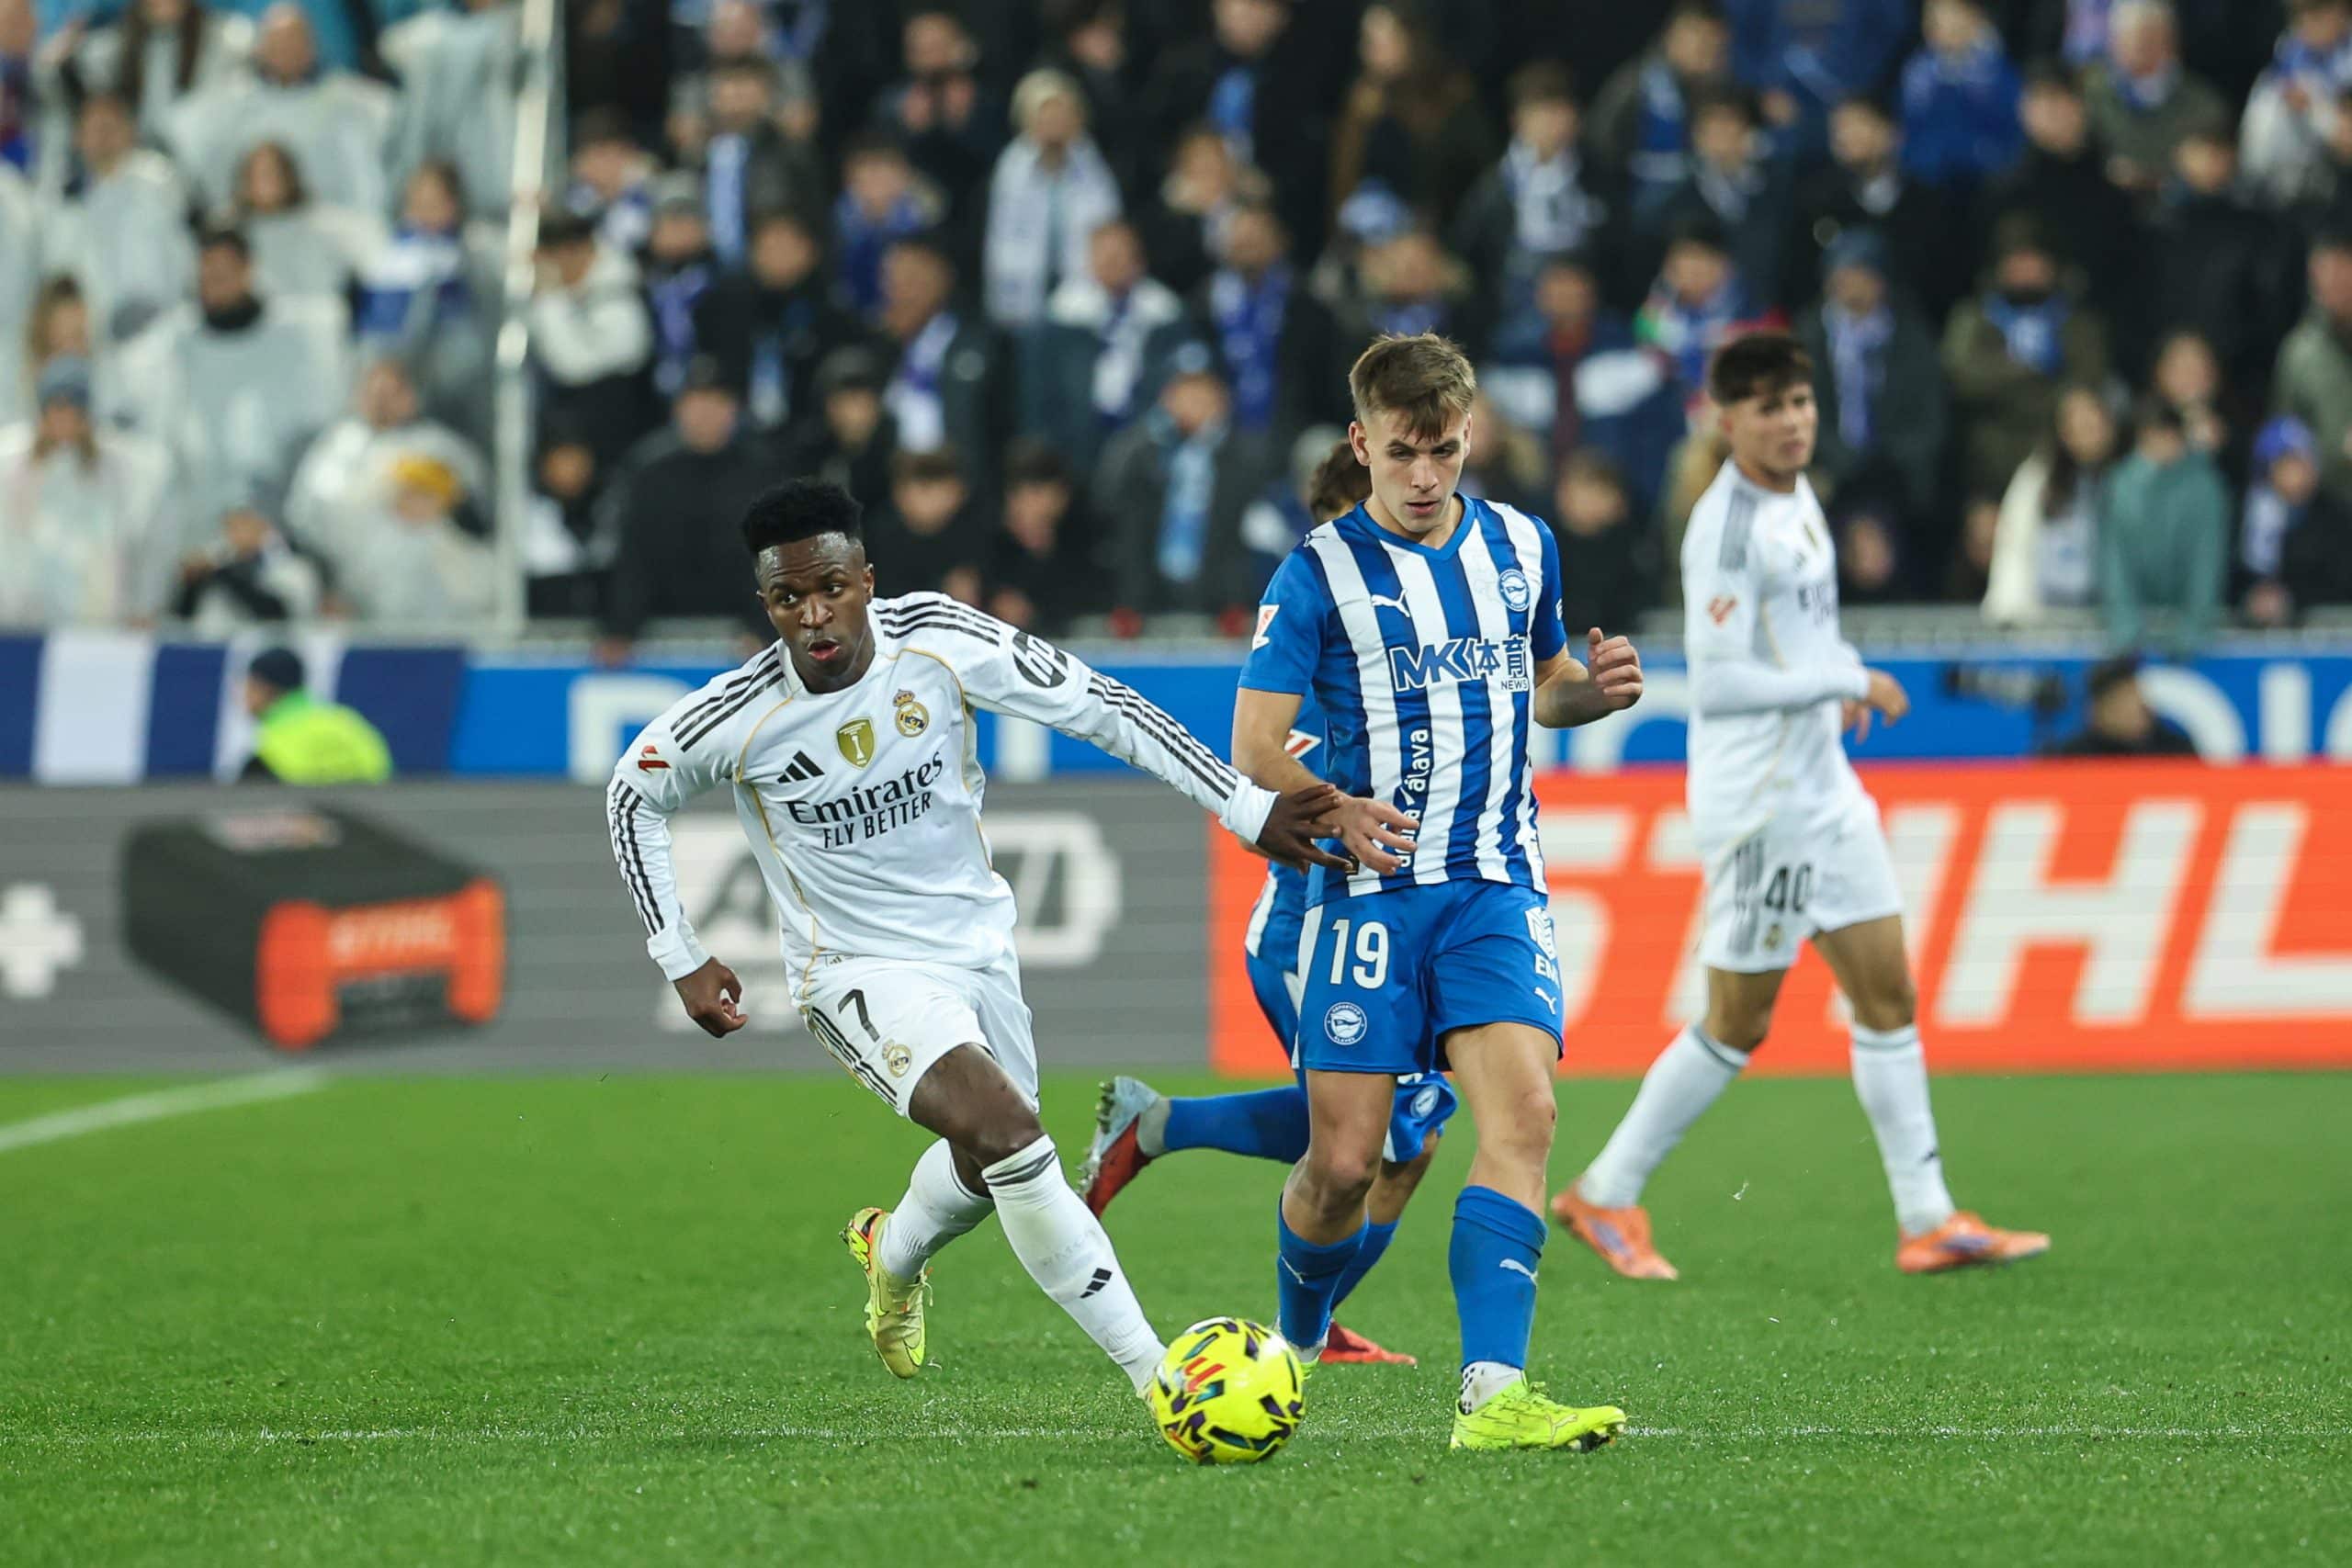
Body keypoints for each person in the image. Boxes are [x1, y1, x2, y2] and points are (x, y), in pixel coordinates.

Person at [602, 478, 1347, 1412]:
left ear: (865, 579)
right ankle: (1160, 1378)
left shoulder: (944, 642)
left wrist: (1244, 807)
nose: (813, 614)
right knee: (1009, 1133)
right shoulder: (736, 717)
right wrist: (679, 952)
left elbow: (1104, 706)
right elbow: (631, 794)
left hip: (976, 947)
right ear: (768, 607)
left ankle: (893, 1253)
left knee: (990, 1165)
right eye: (789, 599)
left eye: (829, 586)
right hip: (854, 970)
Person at [1552, 333, 2048, 1282]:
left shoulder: (1799, 496)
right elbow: (1724, 681)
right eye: (1770, 408)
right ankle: (1605, 1192)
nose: (1791, 423)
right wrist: (1850, 674)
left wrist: (1831, 684)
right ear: (1727, 419)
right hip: (1762, 804)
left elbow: (1794, 643)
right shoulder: (1725, 528)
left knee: (1887, 993)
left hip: (1823, 787)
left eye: (1800, 403)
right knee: (1738, 1022)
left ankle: (1927, 1218)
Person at [1237, 332, 1643, 1451]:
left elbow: (1547, 681)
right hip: (1367, 901)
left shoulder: (1521, 544)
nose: (1426, 477)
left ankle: (1494, 1394)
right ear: (1361, 444)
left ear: (1471, 440)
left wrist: (1590, 697)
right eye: (1405, 453)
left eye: (1446, 451)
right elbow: (1255, 745)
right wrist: (1335, 804)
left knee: (1526, 1116)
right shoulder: (1314, 572)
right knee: (1343, 1165)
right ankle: (1300, 1334)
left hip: (1493, 885)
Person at [1080, 440, 1433, 1369]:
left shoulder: (1409, 651)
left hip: (1396, 933)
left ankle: (1314, 1311)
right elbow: (1256, 796)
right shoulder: (1316, 650)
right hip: (1310, 936)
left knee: (1402, 1141)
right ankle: (1297, 1321)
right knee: (1374, 1137)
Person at [2099, 396, 2227, 653]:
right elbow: (2114, 561)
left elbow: (2206, 559)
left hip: (2188, 625)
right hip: (2133, 628)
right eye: (2156, 435)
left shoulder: (2204, 486)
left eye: (2171, 435)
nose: (2164, 444)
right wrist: (2124, 622)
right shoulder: (2119, 485)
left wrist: (2195, 623)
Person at [239, 645, 391, 784]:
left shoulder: (270, 750)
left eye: (250, 686)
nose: (243, 694)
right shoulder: (347, 721)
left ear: (266, 688)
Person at [2043, 653, 2200, 757]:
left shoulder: (2175, 751)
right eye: (2122, 700)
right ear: (2097, 711)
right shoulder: (2072, 758)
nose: (2135, 706)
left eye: (2135, 693)